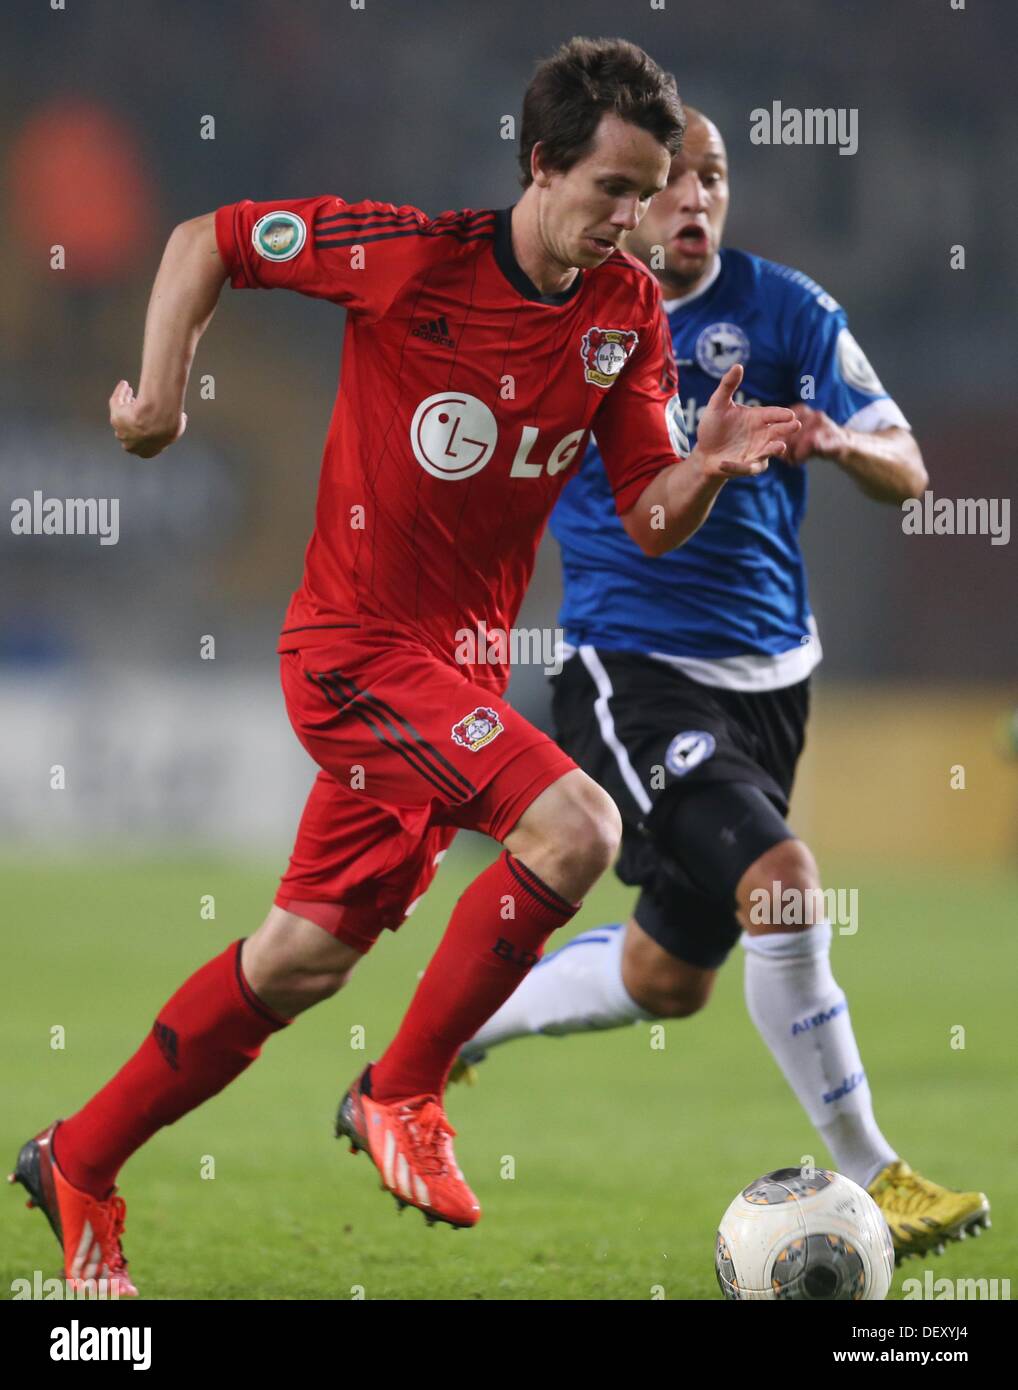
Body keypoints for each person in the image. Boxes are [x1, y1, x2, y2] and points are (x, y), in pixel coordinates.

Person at [9, 46, 801, 1293]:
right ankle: (403, 1092)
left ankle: (79, 1161)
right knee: (576, 827)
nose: (634, 220)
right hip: (353, 655)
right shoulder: (407, 254)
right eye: (612, 188)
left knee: (299, 957)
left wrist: (703, 469)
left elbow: (646, 509)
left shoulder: (626, 311)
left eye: (649, 194)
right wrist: (161, 398)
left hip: (456, 684)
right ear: (539, 166)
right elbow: (202, 238)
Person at [459, 109, 990, 1262]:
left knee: (665, 977)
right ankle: (874, 1170)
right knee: (785, 884)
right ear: (622, 195)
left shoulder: (787, 309)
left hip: (771, 679)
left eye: (715, 178)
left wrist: (835, 443)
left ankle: (468, 1013)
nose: (695, 198)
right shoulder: (571, 320)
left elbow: (909, 468)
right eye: (670, 181)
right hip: (631, 669)